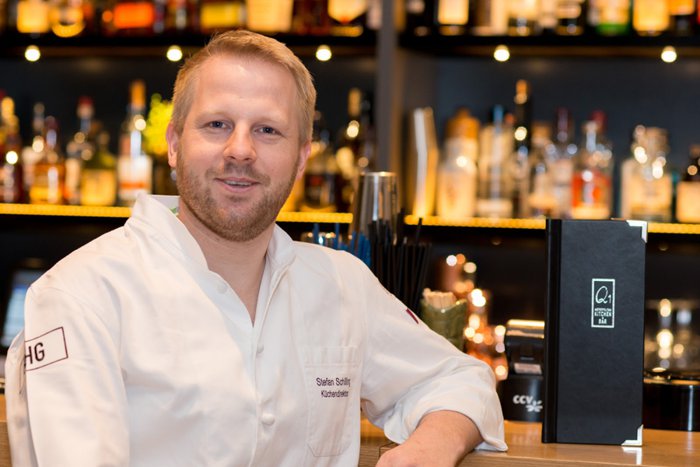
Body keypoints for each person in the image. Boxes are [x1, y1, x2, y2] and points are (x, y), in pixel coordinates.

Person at [5, 30, 507, 466]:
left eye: (267, 130)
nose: (240, 150)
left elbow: (460, 379)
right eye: (217, 124)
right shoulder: (82, 295)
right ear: (174, 144)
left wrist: (432, 445)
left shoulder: (340, 283)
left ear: (301, 157)